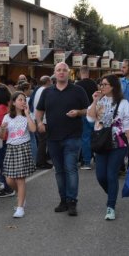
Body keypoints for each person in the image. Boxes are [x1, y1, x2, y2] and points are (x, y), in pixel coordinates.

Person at [36, 62, 89, 217]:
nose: (61, 73)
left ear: (69, 73)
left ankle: (72, 201)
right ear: (54, 73)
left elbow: (88, 110)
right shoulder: (47, 92)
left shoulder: (78, 90)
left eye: (64, 70)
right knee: (59, 171)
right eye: (58, 70)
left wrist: (78, 112)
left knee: (71, 168)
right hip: (52, 137)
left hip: (72, 136)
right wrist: (39, 122)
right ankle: (63, 200)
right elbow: (39, 110)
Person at [87, 75, 129, 220]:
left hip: (118, 143)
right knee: (101, 176)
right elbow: (90, 118)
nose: (101, 87)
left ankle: (111, 206)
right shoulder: (99, 100)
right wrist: (95, 100)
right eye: (100, 84)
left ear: (113, 86)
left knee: (111, 175)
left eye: (104, 84)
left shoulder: (123, 103)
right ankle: (112, 195)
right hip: (101, 142)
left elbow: (128, 126)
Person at [0, 91, 36, 218]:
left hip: (23, 147)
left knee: (20, 179)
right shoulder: (7, 117)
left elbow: (33, 129)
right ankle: (21, 195)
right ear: (13, 102)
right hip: (10, 148)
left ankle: (20, 207)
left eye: (24, 100)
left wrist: (27, 114)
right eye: (20, 100)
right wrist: (3, 128)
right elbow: (2, 137)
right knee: (9, 180)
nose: (23, 102)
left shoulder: (28, 115)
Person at [0, 84, 15, 198]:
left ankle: (8, 188)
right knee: (5, 164)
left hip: (2, 139)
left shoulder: (0, 108)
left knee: (3, 164)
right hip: (6, 139)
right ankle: (8, 186)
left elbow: (3, 124)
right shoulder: (5, 106)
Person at [75, 66, 98, 170]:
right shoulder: (94, 84)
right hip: (96, 113)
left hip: (84, 113)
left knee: (85, 138)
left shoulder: (77, 85)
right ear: (88, 72)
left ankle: (87, 162)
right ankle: (98, 158)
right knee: (97, 136)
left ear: (80, 73)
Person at [33, 76, 53, 169]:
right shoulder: (45, 91)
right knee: (43, 142)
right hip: (43, 120)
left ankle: (42, 160)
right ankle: (41, 162)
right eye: (51, 81)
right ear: (48, 81)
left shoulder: (38, 90)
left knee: (42, 141)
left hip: (39, 119)